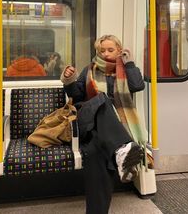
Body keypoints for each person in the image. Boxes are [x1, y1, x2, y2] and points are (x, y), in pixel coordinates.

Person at [60, 34, 146, 214]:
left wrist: (128, 63)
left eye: (110, 50)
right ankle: (123, 147)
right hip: (89, 122)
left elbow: (138, 85)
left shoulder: (126, 71)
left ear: (119, 51)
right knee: (103, 99)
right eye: (101, 50)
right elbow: (76, 95)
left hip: (110, 130)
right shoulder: (89, 70)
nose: (105, 53)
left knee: (95, 154)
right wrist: (69, 80)